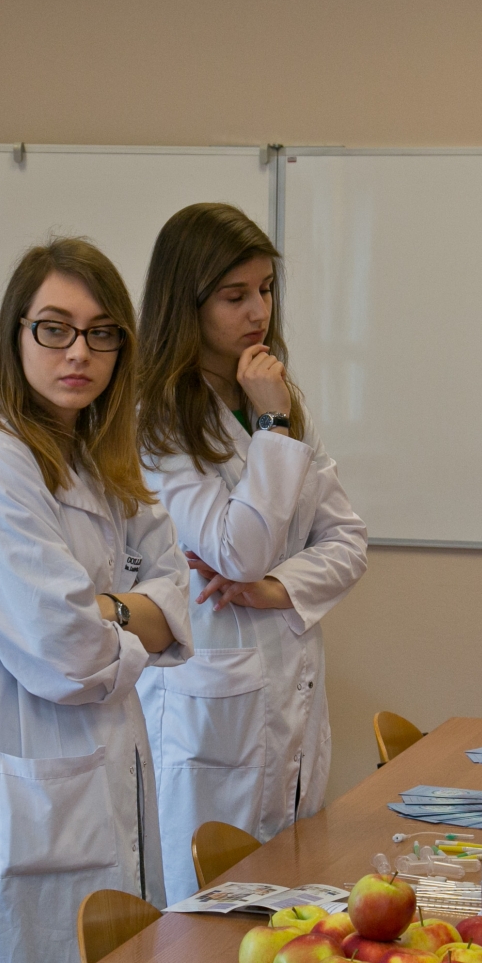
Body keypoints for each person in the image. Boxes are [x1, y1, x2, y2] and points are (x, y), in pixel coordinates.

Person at [0, 238, 191, 963]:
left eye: (102, 334)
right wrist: (128, 616)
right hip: (23, 808)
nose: (79, 353)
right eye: (55, 329)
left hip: (104, 788)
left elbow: (179, 598)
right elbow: (68, 657)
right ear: (16, 335)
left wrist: (101, 611)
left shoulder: (105, 464)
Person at [133, 203, 367, 902]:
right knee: (199, 911)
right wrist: (269, 423)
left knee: (286, 900)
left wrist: (278, 588)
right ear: (187, 303)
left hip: (288, 691)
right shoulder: (156, 421)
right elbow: (237, 551)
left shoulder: (279, 401)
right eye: (234, 296)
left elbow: (348, 540)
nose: (258, 311)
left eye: (265, 289)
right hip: (209, 704)